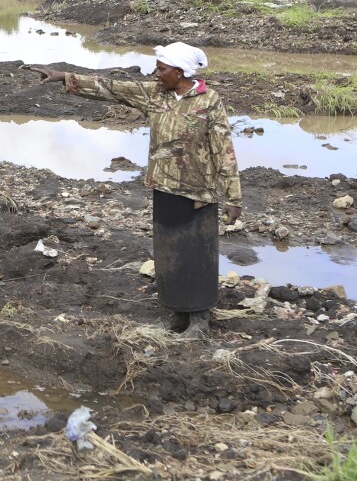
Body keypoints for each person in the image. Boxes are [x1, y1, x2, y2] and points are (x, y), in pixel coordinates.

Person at [26, 42, 242, 339]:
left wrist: (233, 197)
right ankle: (178, 313)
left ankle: (199, 319)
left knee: (196, 255)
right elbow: (112, 88)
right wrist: (63, 76)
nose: (156, 73)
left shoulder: (209, 101)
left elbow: (223, 149)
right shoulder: (154, 94)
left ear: (180, 72)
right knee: (169, 252)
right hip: (164, 186)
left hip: (198, 193)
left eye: (162, 69)